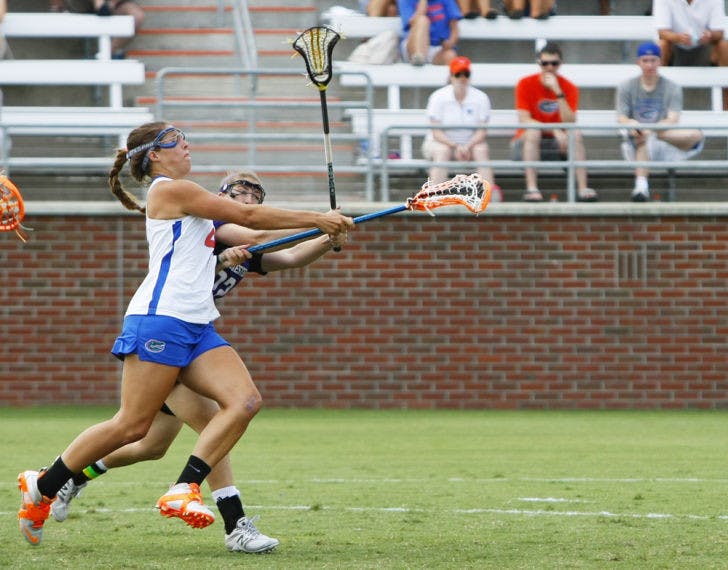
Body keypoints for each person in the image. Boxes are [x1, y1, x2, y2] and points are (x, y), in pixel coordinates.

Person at [17, 122, 354, 546]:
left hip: (197, 324)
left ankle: (183, 489)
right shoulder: (169, 189)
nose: (187, 145)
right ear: (155, 154)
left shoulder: (198, 206)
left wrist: (325, 233)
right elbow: (252, 222)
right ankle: (46, 483)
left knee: (244, 401)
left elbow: (261, 239)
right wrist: (319, 218)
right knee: (132, 427)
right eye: (177, 140)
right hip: (161, 319)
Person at [616, 41, 704, 202]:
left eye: (653, 60)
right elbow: (621, 117)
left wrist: (651, 131)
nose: (649, 65)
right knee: (642, 140)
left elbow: (673, 119)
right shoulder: (626, 86)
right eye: (645, 60)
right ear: (638, 62)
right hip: (638, 142)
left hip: (665, 138)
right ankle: (641, 188)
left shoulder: (672, 87)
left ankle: (642, 184)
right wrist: (632, 125)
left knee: (696, 135)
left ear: (660, 61)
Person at [511, 42, 598, 202]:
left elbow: (570, 122)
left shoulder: (569, 87)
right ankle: (531, 189)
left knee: (575, 134)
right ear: (539, 64)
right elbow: (524, 119)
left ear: (560, 64)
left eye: (554, 63)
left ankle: (582, 188)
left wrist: (558, 92)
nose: (549, 67)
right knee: (533, 131)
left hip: (558, 144)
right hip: (527, 143)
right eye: (545, 63)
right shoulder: (525, 83)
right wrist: (554, 130)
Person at [422, 56, 502, 201]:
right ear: (451, 76)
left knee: (481, 149)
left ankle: (487, 196)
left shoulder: (481, 97)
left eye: (466, 74)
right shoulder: (438, 97)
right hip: (442, 143)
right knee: (442, 151)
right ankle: (434, 196)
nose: (462, 78)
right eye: (458, 74)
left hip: (469, 145)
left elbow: (482, 131)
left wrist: (466, 146)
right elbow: (436, 132)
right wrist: (456, 146)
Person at [653, 0, 728, 69]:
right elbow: (662, 32)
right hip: (675, 48)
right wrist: (678, 38)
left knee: (723, 45)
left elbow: (719, 32)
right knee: (662, 45)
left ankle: (724, 83)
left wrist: (710, 36)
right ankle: (658, 83)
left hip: (705, 48)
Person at [61, 0, 144, 59]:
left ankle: (107, 53)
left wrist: (112, 3)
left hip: (114, 5)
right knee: (101, 7)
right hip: (81, 5)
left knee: (137, 16)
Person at [397, 0, 462, 66]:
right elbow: (413, 22)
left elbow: (454, 28)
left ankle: (421, 61)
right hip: (413, 45)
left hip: (437, 48)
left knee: (450, 55)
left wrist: (450, 43)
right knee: (422, 20)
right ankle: (418, 58)